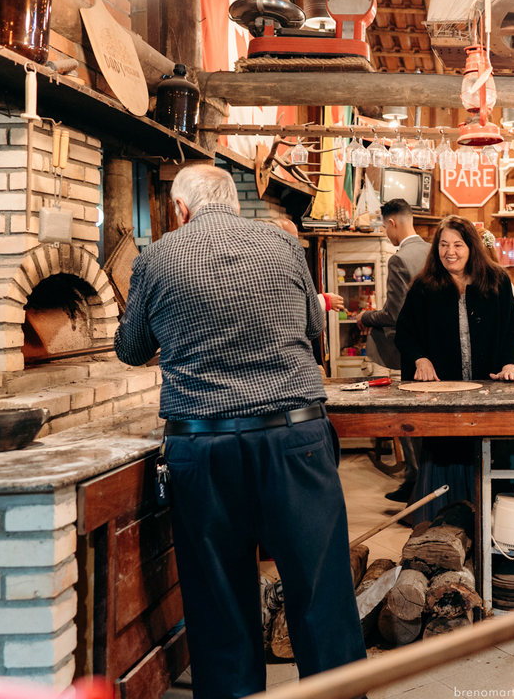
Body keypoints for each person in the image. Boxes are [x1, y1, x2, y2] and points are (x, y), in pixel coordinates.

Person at [115, 165, 364, 699]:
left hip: (202, 445)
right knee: (320, 590)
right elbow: (312, 326)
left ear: (181, 209)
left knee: (219, 601)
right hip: (294, 439)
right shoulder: (284, 246)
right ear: (234, 202)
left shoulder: (156, 257)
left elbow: (131, 349)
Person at [394, 215, 514, 523]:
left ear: (472, 247)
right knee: (446, 450)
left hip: (488, 390)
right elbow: (405, 333)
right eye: (443, 245)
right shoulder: (424, 285)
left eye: (457, 245)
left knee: (487, 449)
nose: (450, 252)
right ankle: (443, 523)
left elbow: (511, 329)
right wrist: (420, 358)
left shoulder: (497, 280)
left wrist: (510, 363)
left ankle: (488, 522)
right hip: (443, 392)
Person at [356, 199, 431, 502]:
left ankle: (415, 483)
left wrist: (366, 317)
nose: (387, 234)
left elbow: (395, 314)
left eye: (384, 228)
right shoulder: (433, 251)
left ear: (391, 223)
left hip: (410, 351)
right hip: (438, 347)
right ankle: (422, 479)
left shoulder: (399, 259)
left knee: (409, 415)